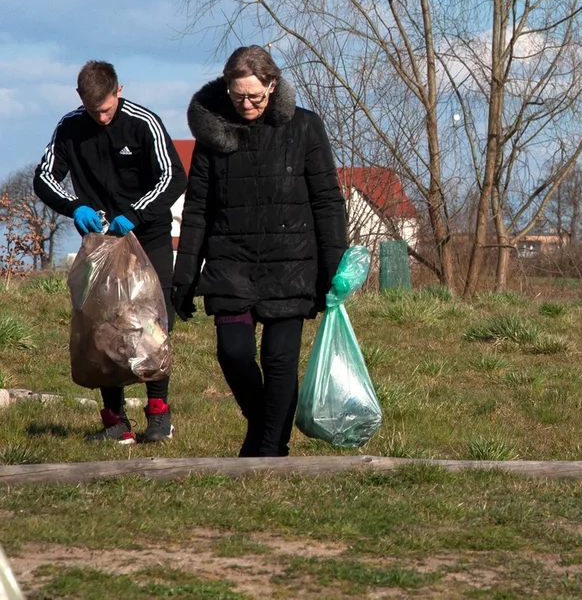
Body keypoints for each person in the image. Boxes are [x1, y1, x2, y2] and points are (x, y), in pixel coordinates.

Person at [172, 45, 349, 457]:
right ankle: (265, 430)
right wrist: (183, 278)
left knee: (280, 360)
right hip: (231, 262)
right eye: (238, 96)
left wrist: (333, 265)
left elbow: (326, 199)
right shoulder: (212, 136)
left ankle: (269, 450)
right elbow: (198, 208)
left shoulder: (305, 127)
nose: (246, 104)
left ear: (272, 85)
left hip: (291, 264)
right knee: (232, 353)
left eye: (255, 96)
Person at [34, 60, 187, 444]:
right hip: (98, 243)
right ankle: (115, 422)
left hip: (145, 237)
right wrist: (75, 207)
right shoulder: (69, 127)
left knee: (150, 325)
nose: (100, 117)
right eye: (92, 109)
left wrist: (135, 213)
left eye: (105, 108)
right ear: (80, 99)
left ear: (118, 91)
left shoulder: (143, 123)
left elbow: (173, 177)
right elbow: (44, 177)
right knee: (100, 327)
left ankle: (159, 415)